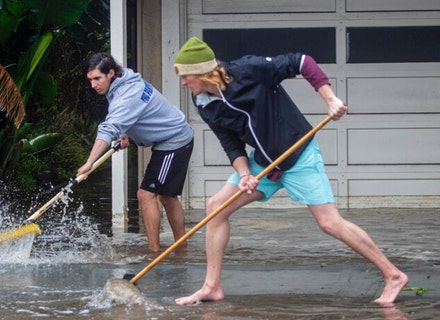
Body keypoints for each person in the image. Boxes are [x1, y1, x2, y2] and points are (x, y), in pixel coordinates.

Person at [171, 37, 408, 305]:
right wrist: (246, 173)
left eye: (187, 76)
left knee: (329, 223)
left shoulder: (249, 70)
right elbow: (231, 144)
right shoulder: (203, 102)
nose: (183, 83)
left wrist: (330, 99)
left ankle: (393, 275)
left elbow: (302, 61)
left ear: (205, 73)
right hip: (264, 162)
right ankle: (211, 287)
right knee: (216, 207)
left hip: (298, 154)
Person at [78, 52, 194, 252]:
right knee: (167, 196)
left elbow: (110, 126)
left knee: (145, 194)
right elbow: (137, 114)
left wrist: (89, 163)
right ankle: (181, 248)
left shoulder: (126, 94)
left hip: (174, 140)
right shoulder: (125, 81)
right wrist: (127, 134)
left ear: (111, 73)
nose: (93, 85)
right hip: (173, 135)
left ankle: (153, 252)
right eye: (90, 80)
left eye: (97, 78)